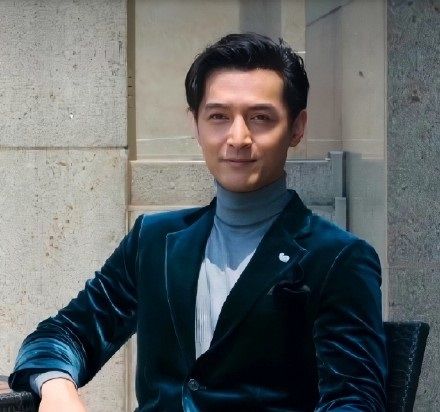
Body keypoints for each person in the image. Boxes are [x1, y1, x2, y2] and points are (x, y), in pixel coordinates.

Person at [9, 33, 387, 411]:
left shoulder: (337, 257)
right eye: (219, 117)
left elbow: (354, 400)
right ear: (195, 124)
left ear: (297, 127)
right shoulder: (154, 240)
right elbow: (64, 334)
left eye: (260, 118)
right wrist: (57, 387)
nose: (238, 138)